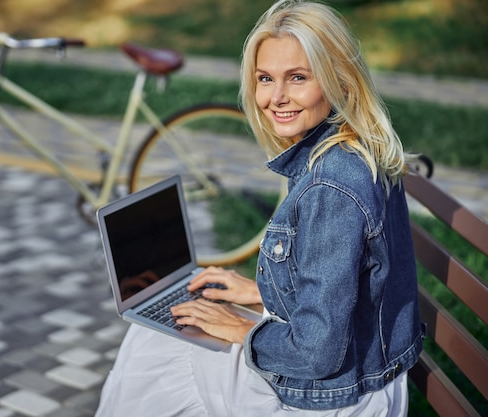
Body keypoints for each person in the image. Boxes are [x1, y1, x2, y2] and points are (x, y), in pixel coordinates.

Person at [96, 0, 423, 415]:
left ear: (340, 80)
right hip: (363, 369)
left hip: (336, 397)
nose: (277, 97)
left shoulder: (332, 185)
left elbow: (316, 355)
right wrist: (257, 294)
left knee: (153, 348)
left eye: (298, 78)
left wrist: (241, 329)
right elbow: (343, 287)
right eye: (265, 78)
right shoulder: (342, 146)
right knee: (165, 331)